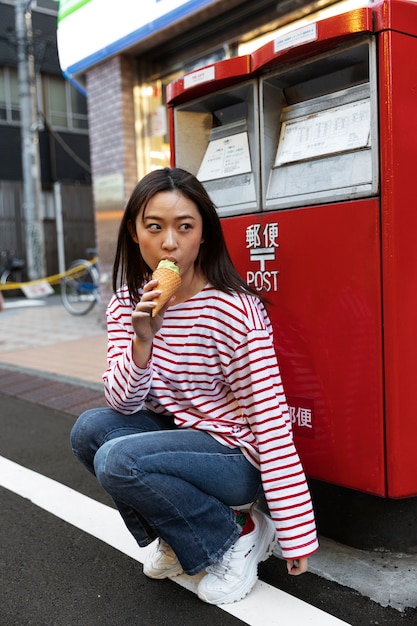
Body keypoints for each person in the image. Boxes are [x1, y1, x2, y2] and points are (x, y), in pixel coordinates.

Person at [70, 167, 319, 605]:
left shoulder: (231, 310)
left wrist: (297, 533)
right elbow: (122, 403)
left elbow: (270, 417)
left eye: (184, 227)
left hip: (233, 457)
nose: (170, 243)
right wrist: (142, 340)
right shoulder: (127, 302)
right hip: (180, 437)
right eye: (155, 227)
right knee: (90, 431)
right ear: (134, 232)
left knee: (117, 460)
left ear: (203, 234)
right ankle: (178, 535)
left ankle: (240, 532)